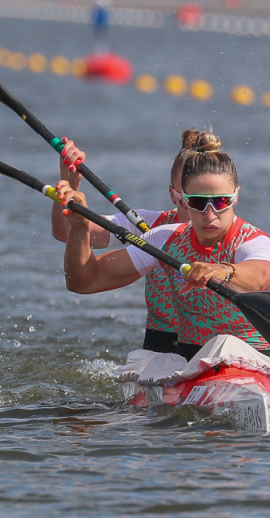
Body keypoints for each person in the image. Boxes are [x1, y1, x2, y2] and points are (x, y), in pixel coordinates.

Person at [56, 132, 270, 358]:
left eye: (220, 202)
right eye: (197, 202)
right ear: (181, 197)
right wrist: (79, 229)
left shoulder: (252, 241)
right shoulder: (164, 237)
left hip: (249, 359)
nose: (209, 214)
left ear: (235, 196)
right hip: (181, 357)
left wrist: (220, 270)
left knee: (225, 344)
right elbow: (83, 281)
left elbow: (263, 274)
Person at [49, 131, 198, 355]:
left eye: (212, 200)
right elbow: (65, 232)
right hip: (161, 345)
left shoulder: (240, 238)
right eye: (190, 199)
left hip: (213, 344)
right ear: (173, 194)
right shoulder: (153, 226)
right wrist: (71, 184)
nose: (203, 211)